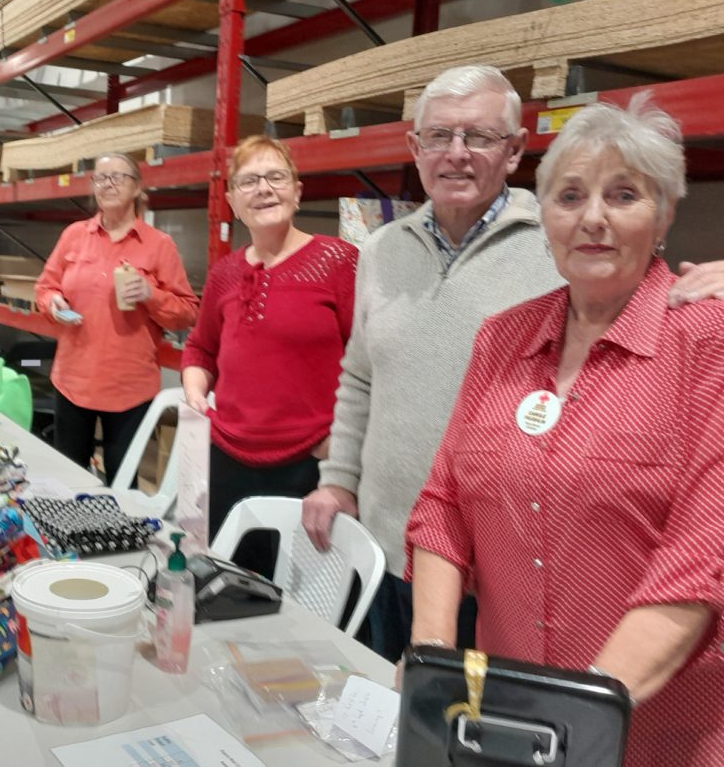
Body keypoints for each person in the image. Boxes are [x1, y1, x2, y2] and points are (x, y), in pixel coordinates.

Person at [301, 64, 724, 663]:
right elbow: (362, 377)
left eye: (478, 137)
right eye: (439, 138)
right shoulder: (384, 254)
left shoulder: (571, 253)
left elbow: (702, 540)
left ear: (514, 150)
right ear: (415, 150)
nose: (456, 154)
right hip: (404, 544)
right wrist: (339, 480)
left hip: (526, 570)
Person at [405, 95, 724, 767]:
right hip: (510, 717)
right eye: (570, 195)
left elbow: (702, 556)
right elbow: (443, 505)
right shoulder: (502, 339)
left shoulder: (706, 341)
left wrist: (577, 717)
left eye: (624, 194)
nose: (593, 218)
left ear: (665, 213)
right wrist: (433, 659)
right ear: (543, 214)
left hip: (653, 735)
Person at [181, 135, 356, 576]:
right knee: (226, 588)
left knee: (305, 606)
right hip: (226, 458)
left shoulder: (338, 262)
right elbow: (201, 347)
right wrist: (195, 392)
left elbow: (370, 366)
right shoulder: (224, 273)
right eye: (249, 181)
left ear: (298, 191)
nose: (263, 189)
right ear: (232, 201)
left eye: (276, 177)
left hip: (308, 465)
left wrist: (346, 451)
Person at [35, 152, 198, 484]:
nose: (107, 184)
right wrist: (53, 302)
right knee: (69, 477)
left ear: (137, 187)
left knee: (122, 484)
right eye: (100, 178)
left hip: (128, 387)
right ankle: (70, 534)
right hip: (73, 380)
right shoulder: (74, 235)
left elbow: (187, 313)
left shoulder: (158, 245)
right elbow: (45, 285)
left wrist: (150, 294)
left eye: (117, 177)